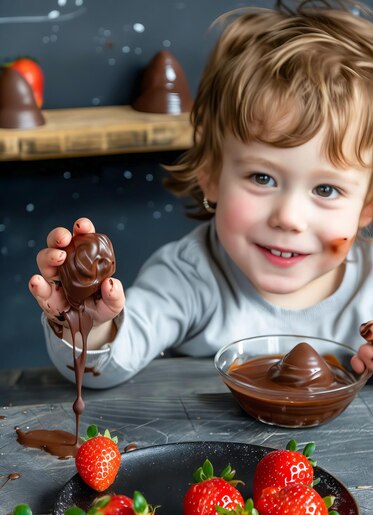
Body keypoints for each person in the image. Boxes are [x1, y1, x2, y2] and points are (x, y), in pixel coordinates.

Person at [29, 0, 373, 389]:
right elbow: (110, 362)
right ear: (210, 175)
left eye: (326, 189)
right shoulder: (190, 277)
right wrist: (89, 322)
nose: (289, 217)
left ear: (367, 205)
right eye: (262, 178)